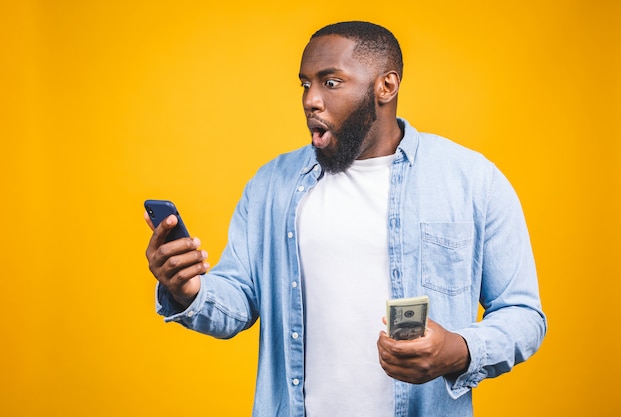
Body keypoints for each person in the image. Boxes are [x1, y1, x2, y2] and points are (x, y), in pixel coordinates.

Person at [145, 21, 546, 417]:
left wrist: (458, 351)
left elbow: (523, 315)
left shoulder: (471, 180)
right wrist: (189, 290)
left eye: (330, 82)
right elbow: (238, 302)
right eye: (305, 84)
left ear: (385, 87)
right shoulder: (272, 185)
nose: (310, 100)